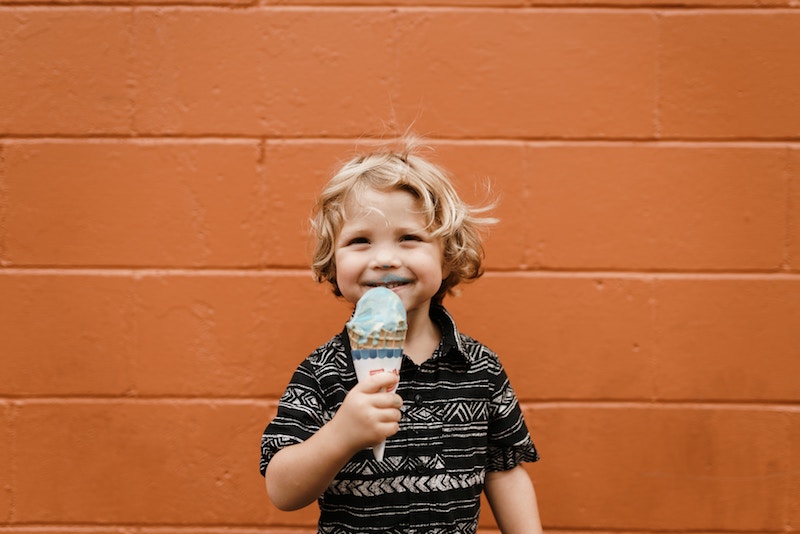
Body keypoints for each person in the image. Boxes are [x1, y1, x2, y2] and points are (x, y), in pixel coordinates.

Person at [260, 137, 542, 533]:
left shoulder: (480, 369)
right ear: (332, 261)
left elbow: (504, 472)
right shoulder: (322, 371)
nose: (385, 258)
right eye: (360, 241)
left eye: (409, 238)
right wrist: (341, 435)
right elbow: (281, 490)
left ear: (446, 257)